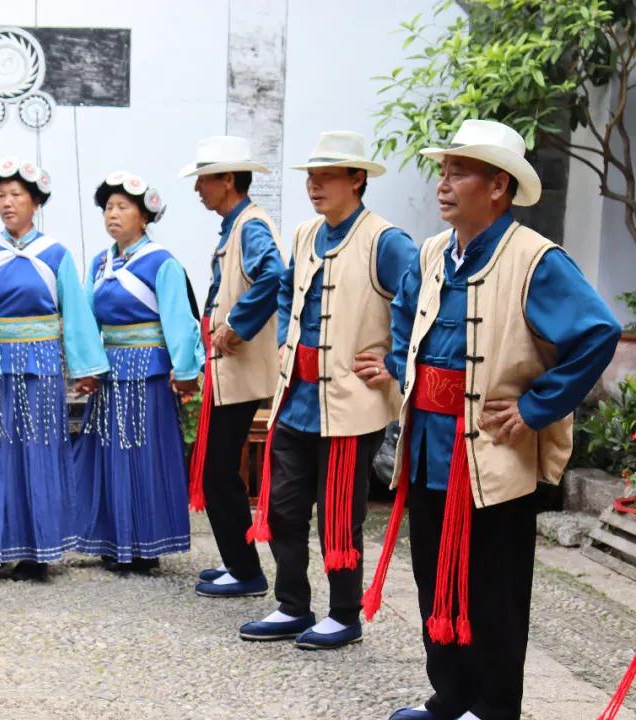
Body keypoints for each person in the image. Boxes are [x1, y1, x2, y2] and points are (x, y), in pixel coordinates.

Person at [364, 120, 622, 720]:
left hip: (493, 456)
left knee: (493, 589)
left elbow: (597, 333)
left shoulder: (536, 260)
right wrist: (406, 367)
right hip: (428, 449)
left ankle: (492, 708)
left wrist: (535, 407)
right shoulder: (432, 253)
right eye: (444, 171)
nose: (443, 183)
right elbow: (404, 313)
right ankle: (450, 698)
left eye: (459, 172)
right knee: (433, 578)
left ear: (499, 186)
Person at [238, 131, 417, 649]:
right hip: (296, 396)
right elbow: (285, 288)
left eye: (327, 177)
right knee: (282, 507)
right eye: (311, 177)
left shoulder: (386, 241)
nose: (314, 186)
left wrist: (395, 361)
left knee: (339, 514)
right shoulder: (305, 233)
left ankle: (344, 614)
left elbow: (421, 300)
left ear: (357, 179)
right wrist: (285, 340)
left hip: (351, 403)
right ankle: (292, 604)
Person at [0, 157, 108, 581]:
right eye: (1, 196)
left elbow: (75, 312)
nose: (7, 203)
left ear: (36, 202)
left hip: (40, 363)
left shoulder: (55, 254)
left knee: (37, 448)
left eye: (16, 195)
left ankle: (36, 547)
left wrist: (85, 366)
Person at [72, 171, 204, 572]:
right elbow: (86, 319)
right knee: (109, 453)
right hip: (111, 373)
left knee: (145, 453)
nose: (112, 214)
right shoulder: (100, 263)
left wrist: (185, 369)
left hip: (148, 373)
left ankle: (147, 543)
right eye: (108, 207)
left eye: (122, 207)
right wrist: (86, 366)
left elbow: (178, 320)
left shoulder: (162, 263)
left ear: (144, 216)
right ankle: (113, 539)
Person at [179, 136, 286, 598]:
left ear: (227, 180)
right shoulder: (236, 224)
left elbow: (274, 274)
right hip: (227, 369)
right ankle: (237, 563)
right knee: (219, 468)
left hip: (238, 369)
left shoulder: (251, 225)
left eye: (204, 179)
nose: (197, 188)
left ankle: (245, 571)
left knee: (219, 470)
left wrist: (237, 325)